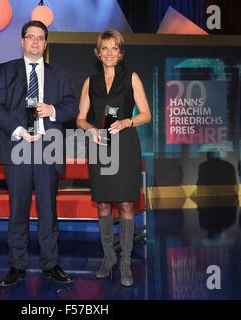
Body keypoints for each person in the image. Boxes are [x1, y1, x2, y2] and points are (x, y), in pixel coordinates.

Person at [0, 21, 78, 287]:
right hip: (18, 146)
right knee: (18, 210)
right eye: (31, 37)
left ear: (46, 43)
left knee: (48, 211)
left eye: (41, 38)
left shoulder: (59, 75)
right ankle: (17, 266)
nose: (35, 42)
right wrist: (17, 129)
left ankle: (50, 265)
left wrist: (52, 110)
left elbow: (71, 108)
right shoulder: (7, 70)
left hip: (48, 148)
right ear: (22, 41)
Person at [77, 29, 151, 286]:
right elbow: (80, 118)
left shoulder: (131, 78)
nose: (109, 53)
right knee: (103, 204)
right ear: (98, 53)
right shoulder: (90, 81)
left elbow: (146, 114)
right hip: (100, 146)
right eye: (105, 48)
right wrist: (91, 129)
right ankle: (108, 258)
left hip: (126, 145)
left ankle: (126, 261)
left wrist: (127, 121)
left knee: (127, 204)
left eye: (114, 48)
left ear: (120, 53)